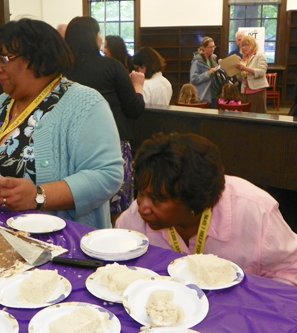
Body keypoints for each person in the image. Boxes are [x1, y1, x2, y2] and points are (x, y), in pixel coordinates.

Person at [0, 18, 124, 229]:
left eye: (4, 59)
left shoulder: (84, 102)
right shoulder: (5, 101)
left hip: (53, 236)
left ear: (40, 59)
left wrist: (39, 196)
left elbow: (106, 175)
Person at [116, 132, 297, 286]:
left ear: (194, 199)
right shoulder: (136, 217)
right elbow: (118, 256)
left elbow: (290, 271)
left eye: (157, 199)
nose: (143, 208)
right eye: (141, 193)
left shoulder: (256, 212)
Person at [64, 16, 145, 225]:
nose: (101, 38)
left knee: (82, 202)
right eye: (99, 33)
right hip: (112, 144)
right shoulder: (112, 66)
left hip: (73, 147)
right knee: (117, 207)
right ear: (93, 37)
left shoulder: (61, 71)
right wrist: (138, 87)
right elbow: (133, 109)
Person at [235, 36, 268, 114]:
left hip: (257, 90)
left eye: (247, 45)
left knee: (257, 114)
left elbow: (261, 72)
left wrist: (245, 68)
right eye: (243, 46)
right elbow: (240, 78)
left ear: (253, 45)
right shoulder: (244, 59)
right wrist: (237, 71)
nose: (244, 47)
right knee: (245, 114)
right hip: (244, 91)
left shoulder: (260, 55)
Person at [190, 37, 218, 108]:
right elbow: (193, 79)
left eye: (213, 46)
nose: (212, 49)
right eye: (210, 47)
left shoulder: (213, 59)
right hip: (202, 96)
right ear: (203, 48)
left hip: (213, 94)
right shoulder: (197, 61)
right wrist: (208, 73)